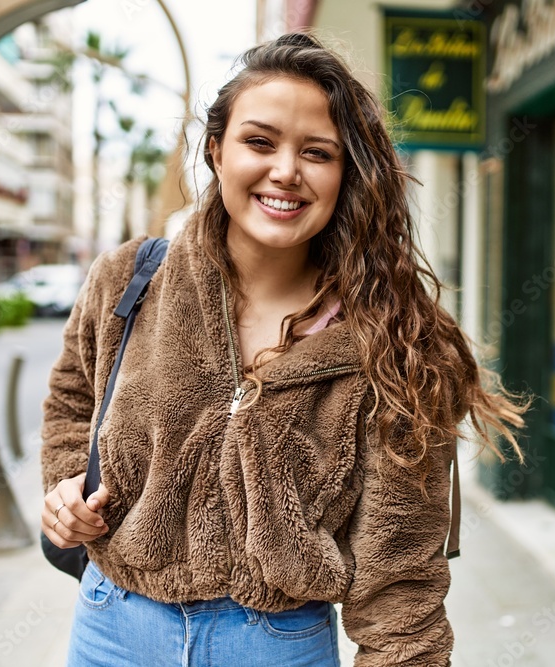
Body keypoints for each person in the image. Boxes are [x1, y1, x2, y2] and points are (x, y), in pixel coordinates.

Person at [40, 32, 527, 666]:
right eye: (259, 141)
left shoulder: (397, 339)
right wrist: (65, 488)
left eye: (317, 152)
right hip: (112, 628)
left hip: (276, 646)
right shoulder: (130, 280)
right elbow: (73, 399)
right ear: (216, 150)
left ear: (347, 172)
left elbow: (401, 576)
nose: (285, 172)